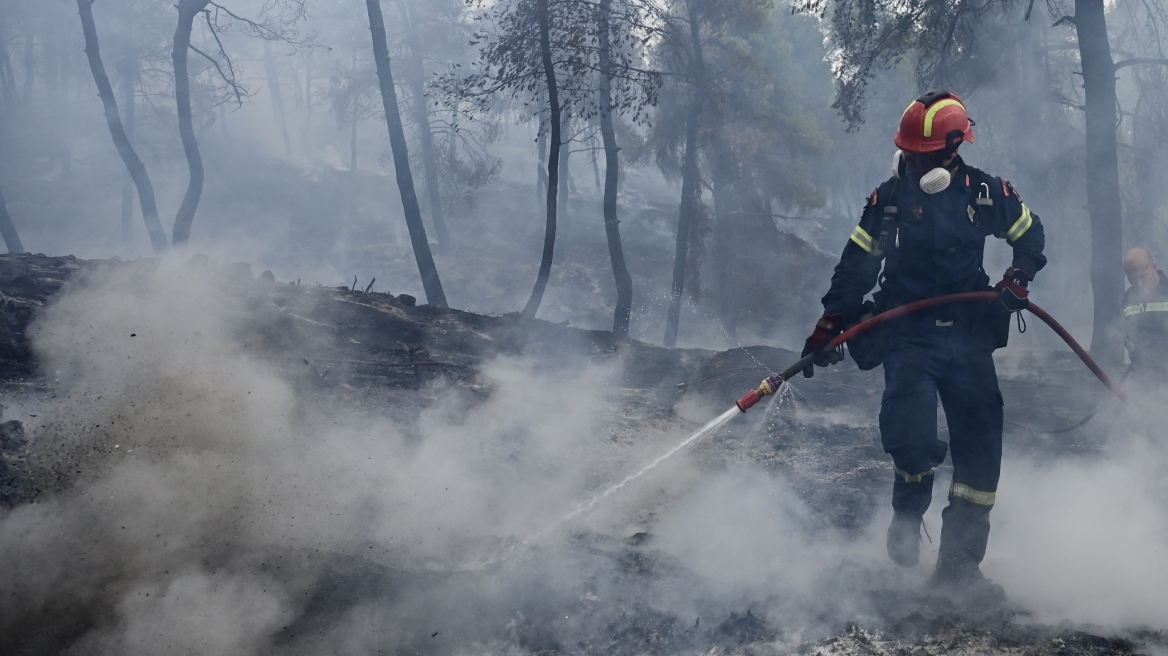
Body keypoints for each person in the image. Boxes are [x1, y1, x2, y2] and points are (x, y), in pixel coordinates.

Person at [801, 90, 1046, 600]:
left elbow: (1030, 233)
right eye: (909, 152)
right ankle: (908, 512)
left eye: (923, 154)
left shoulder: (987, 194)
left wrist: (1018, 276)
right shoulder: (888, 199)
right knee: (910, 438)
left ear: (952, 150)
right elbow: (855, 265)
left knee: (979, 459)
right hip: (907, 333)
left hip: (969, 336)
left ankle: (958, 572)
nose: (914, 161)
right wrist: (832, 319)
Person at [1122, 247, 1168, 381]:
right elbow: (1122, 332)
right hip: (1143, 374)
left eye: (1143, 276)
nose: (1139, 284)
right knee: (1116, 399)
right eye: (1132, 279)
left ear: (1154, 267)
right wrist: (1131, 351)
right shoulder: (1128, 299)